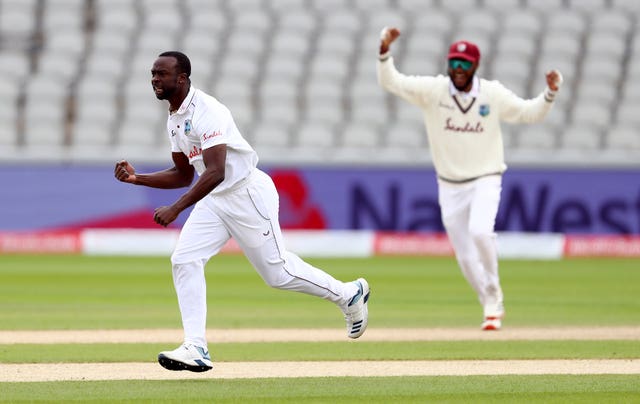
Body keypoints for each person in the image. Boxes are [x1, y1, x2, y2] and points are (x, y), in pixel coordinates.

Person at [114, 51, 370, 372]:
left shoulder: (208, 110)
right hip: (216, 200)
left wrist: (177, 208)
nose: (154, 79)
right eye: (152, 73)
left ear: (181, 78)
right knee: (184, 259)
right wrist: (138, 179)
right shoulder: (175, 118)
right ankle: (196, 346)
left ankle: (348, 294)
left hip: (246, 194)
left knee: (278, 275)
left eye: (161, 74)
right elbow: (183, 174)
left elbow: (216, 171)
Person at [377, 28, 563, 331]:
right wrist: (384, 52)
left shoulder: (492, 93)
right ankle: (489, 303)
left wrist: (549, 94)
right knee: (464, 257)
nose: (459, 70)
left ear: (475, 66)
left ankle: (494, 294)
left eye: (465, 64)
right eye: (454, 63)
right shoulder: (434, 91)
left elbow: (530, 114)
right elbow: (391, 81)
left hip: (486, 177)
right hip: (449, 184)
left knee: (480, 232)